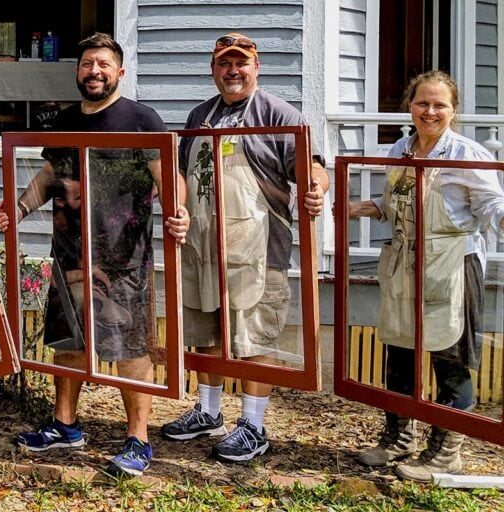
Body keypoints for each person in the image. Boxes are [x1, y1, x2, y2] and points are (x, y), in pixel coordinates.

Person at [0, 32, 190, 477]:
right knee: (68, 341)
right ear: (77, 71)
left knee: (130, 348)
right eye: (87, 64)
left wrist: (178, 212)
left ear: (119, 71)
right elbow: (50, 175)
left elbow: (167, 175)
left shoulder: (141, 119)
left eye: (103, 64)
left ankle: (138, 438)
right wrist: (19, 208)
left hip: (124, 259)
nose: (94, 71)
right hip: (69, 255)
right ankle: (65, 424)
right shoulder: (65, 120)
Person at [159, 33, 328, 463]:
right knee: (207, 332)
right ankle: (208, 412)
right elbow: (181, 173)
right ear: (213, 70)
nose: (232, 71)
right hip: (202, 245)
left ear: (256, 67)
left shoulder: (277, 113)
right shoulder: (200, 115)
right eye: (224, 64)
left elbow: (311, 166)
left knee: (253, 338)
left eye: (241, 63)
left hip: (258, 250)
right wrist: (178, 207)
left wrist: (315, 188)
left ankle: (253, 425)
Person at [348, 70, 504, 481]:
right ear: (409, 106)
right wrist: (364, 208)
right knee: (399, 350)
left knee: (450, 355)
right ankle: (398, 438)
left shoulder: (467, 154)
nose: (430, 111)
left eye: (439, 105)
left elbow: (491, 205)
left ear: (453, 110)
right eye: (422, 103)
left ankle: (445, 452)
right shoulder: (401, 148)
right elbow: (397, 203)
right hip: (404, 261)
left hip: (452, 265)